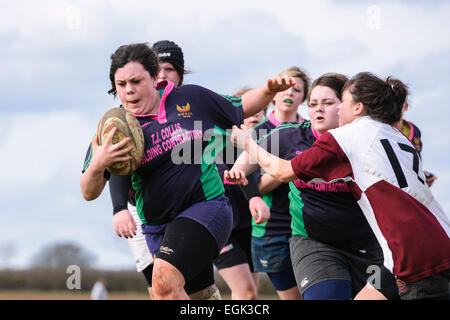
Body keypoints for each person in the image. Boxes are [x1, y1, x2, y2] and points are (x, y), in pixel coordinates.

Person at [80, 42, 296, 300]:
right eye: (121, 84)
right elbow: (88, 191)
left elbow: (240, 106)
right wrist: (99, 163)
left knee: (164, 282)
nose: (129, 91)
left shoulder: (190, 98)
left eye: (136, 81)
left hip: (207, 207)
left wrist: (268, 90)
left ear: (154, 77)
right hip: (158, 227)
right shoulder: (115, 128)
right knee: (192, 295)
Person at [226, 72, 450, 300]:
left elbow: (283, 171)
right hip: (435, 240)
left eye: (339, 102)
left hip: (410, 255)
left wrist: (248, 143)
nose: (324, 109)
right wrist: (248, 183)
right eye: (313, 104)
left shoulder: (347, 137)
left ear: (358, 108)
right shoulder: (394, 135)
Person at [248, 66, 309, 300]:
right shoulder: (258, 133)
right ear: (273, 94)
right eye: (284, 88)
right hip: (272, 230)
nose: (290, 93)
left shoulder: (310, 132)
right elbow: (258, 187)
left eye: (297, 90)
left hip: (308, 229)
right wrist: (290, 166)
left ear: (304, 97)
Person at [214, 87, 268, 300]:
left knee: (252, 294)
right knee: (246, 293)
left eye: (259, 109)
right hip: (224, 227)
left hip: (252, 227)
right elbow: (228, 179)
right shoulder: (220, 144)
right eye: (249, 110)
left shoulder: (269, 143)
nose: (254, 114)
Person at [388, 78, 437, 187]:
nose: (392, 108)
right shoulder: (375, 129)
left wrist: (422, 176)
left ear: (405, 107)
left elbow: (413, 165)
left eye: (397, 103)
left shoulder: (414, 131)